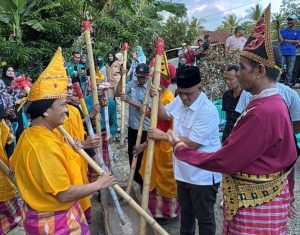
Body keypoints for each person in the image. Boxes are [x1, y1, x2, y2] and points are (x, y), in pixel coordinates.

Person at [166, 5, 298, 234]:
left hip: (257, 207)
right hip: (256, 200)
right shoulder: (265, 103)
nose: (238, 74)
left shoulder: (265, 111)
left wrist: (180, 150)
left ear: (259, 72)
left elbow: (228, 159)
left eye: (243, 68)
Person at [9, 48, 116, 234]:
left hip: (58, 214)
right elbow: (63, 193)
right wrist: (99, 184)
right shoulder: (41, 145)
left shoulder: (33, 135)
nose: (66, 111)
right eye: (62, 106)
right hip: (54, 221)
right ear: (45, 111)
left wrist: (73, 148)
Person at [149, 65, 221, 235]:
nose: (183, 97)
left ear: (199, 88)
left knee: (204, 218)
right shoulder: (180, 101)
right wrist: (157, 97)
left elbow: (193, 143)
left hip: (202, 176)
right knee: (186, 214)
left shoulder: (207, 110)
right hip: (182, 173)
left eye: (188, 93)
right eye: (180, 92)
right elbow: (163, 115)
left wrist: (164, 136)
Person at [53, 79, 102, 224]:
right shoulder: (52, 121)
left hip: (80, 163)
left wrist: (89, 146)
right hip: (65, 170)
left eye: (70, 88)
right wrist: (83, 145)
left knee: (84, 198)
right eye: (65, 88)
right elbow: (57, 149)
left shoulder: (74, 110)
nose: (69, 91)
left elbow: (82, 134)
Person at [137, 64, 180, 225]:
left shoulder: (169, 97)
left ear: (161, 83)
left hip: (164, 146)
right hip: (154, 145)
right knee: (152, 179)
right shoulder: (160, 96)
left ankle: (168, 214)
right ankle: (155, 213)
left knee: (165, 182)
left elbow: (169, 125)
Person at [116, 63, 152, 187]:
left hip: (145, 129)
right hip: (132, 128)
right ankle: (135, 182)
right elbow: (118, 93)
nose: (140, 79)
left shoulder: (151, 89)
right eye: (138, 76)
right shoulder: (133, 83)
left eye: (143, 77)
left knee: (142, 160)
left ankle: (144, 186)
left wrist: (129, 101)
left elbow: (146, 110)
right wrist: (122, 77)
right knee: (132, 156)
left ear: (147, 76)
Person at [0, 110, 22, 235]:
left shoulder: (2, 125)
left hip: (3, 171)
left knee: (5, 191)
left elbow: (9, 141)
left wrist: (11, 160)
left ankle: (12, 221)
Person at [277, 15, 300, 87]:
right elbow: (280, 40)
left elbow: (298, 41)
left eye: (291, 20)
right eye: (288, 20)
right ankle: (276, 85)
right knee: (278, 68)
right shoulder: (283, 30)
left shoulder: (298, 31)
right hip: (282, 51)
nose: (289, 21)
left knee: (290, 70)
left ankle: (287, 86)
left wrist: (286, 40)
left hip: (292, 53)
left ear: (295, 21)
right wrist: (278, 31)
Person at [221, 64, 242, 142]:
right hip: (227, 135)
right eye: (226, 79)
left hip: (240, 137)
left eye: (230, 79)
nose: (227, 82)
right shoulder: (226, 95)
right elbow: (227, 116)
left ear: (239, 78)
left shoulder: (246, 96)